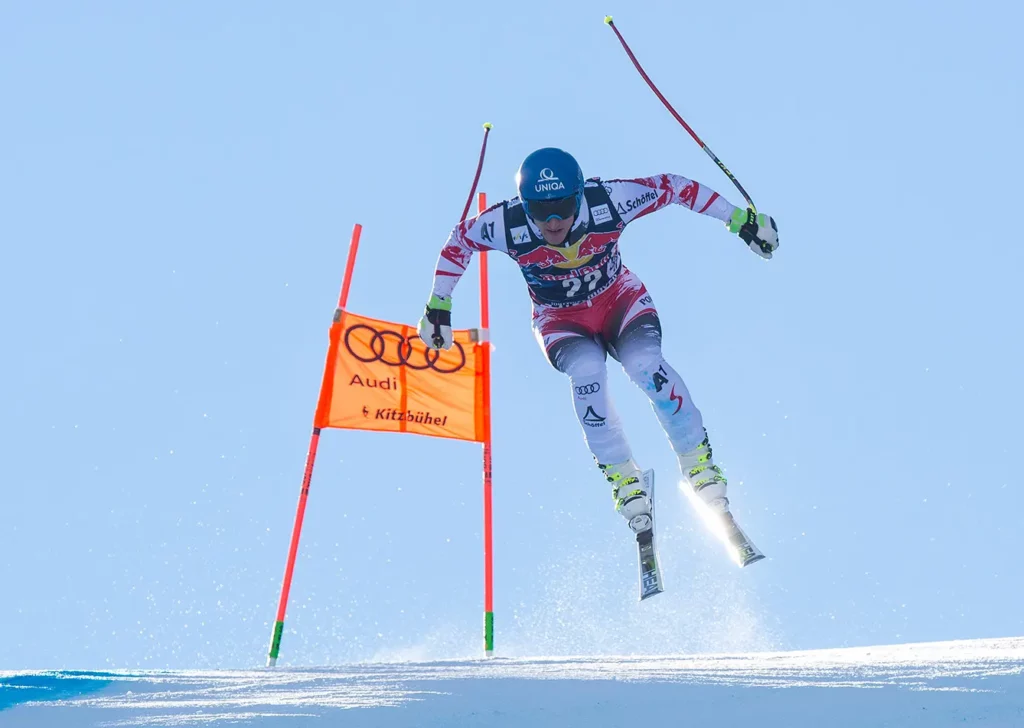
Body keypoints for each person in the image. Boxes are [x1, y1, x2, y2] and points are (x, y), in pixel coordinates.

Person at [418, 147, 777, 563]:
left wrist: (741, 221)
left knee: (645, 365)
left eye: (564, 207)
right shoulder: (506, 223)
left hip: (620, 302)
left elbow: (675, 188)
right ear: (523, 205)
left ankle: (700, 465)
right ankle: (624, 479)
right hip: (560, 320)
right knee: (587, 372)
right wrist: (437, 306)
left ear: (579, 196)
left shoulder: (610, 200)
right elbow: (458, 241)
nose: (553, 222)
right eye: (539, 211)